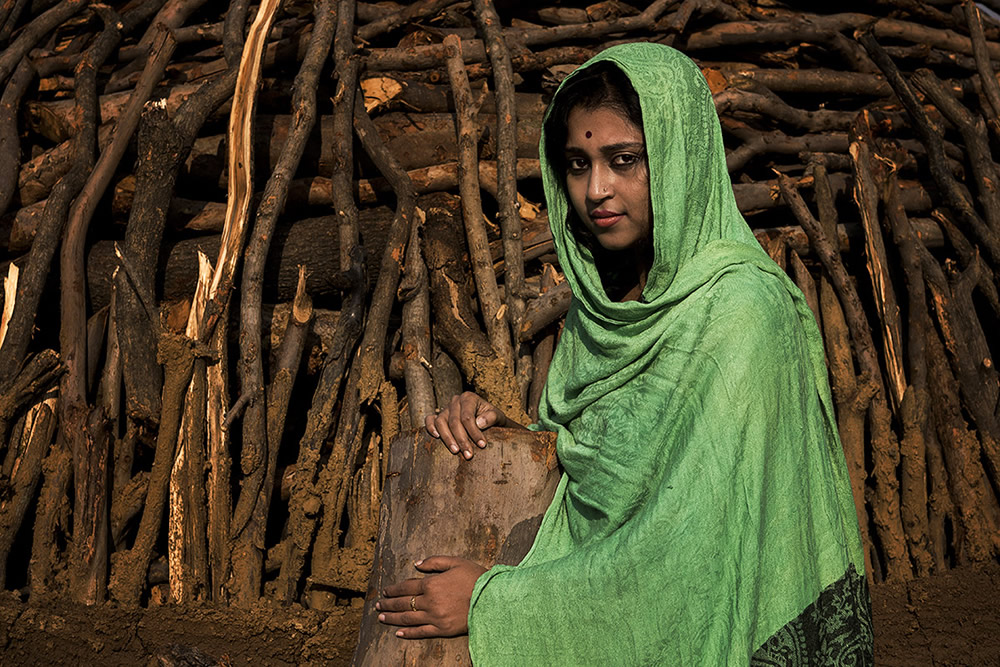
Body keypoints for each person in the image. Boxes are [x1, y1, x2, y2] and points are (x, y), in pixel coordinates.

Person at [376, 42, 873, 664]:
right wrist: (506, 431)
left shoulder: (744, 314)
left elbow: (692, 551)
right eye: (578, 164)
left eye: (624, 159)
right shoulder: (602, 310)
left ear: (680, 159)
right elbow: (600, 463)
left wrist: (495, 604)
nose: (597, 189)